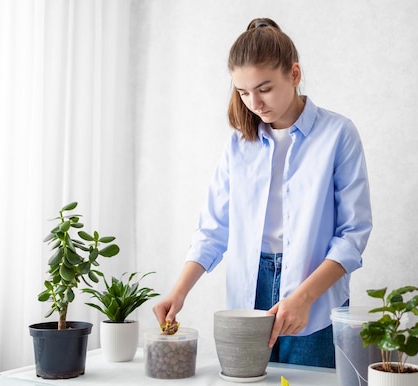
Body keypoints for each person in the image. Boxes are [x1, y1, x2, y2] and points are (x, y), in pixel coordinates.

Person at [153, 17, 372, 368]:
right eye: (242, 92)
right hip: (249, 289)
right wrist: (178, 294)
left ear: (294, 74)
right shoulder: (239, 144)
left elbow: (352, 235)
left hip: (314, 291)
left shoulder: (338, 134)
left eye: (265, 88)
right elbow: (213, 231)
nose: (254, 102)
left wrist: (303, 298)